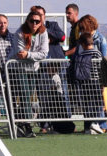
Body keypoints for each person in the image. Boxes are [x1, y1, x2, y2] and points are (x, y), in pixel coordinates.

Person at [7, 10, 49, 137]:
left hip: (33, 69)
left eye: (37, 21)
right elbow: (20, 53)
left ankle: (19, 124)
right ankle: (27, 126)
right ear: (28, 21)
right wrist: (30, 55)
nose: (35, 23)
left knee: (28, 97)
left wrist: (29, 54)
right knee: (24, 96)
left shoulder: (43, 32)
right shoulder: (20, 33)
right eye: (32, 21)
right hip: (17, 69)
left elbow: (44, 53)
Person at [31, 5, 70, 133]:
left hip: (58, 66)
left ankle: (65, 123)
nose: (39, 18)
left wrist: (47, 34)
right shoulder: (31, 28)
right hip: (41, 68)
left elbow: (62, 37)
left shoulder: (52, 25)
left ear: (44, 16)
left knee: (62, 95)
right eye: (36, 15)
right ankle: (45, 125)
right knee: (44, 97)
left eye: (41, 15)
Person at [73, 33, 104, 134]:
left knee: (86, 106)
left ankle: (87, 127)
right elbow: (101, 69)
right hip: (96, 82)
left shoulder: (82, 54)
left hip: (84, 82)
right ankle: (94, 123)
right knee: (97, 104)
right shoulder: (97, 53)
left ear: (82, 43)